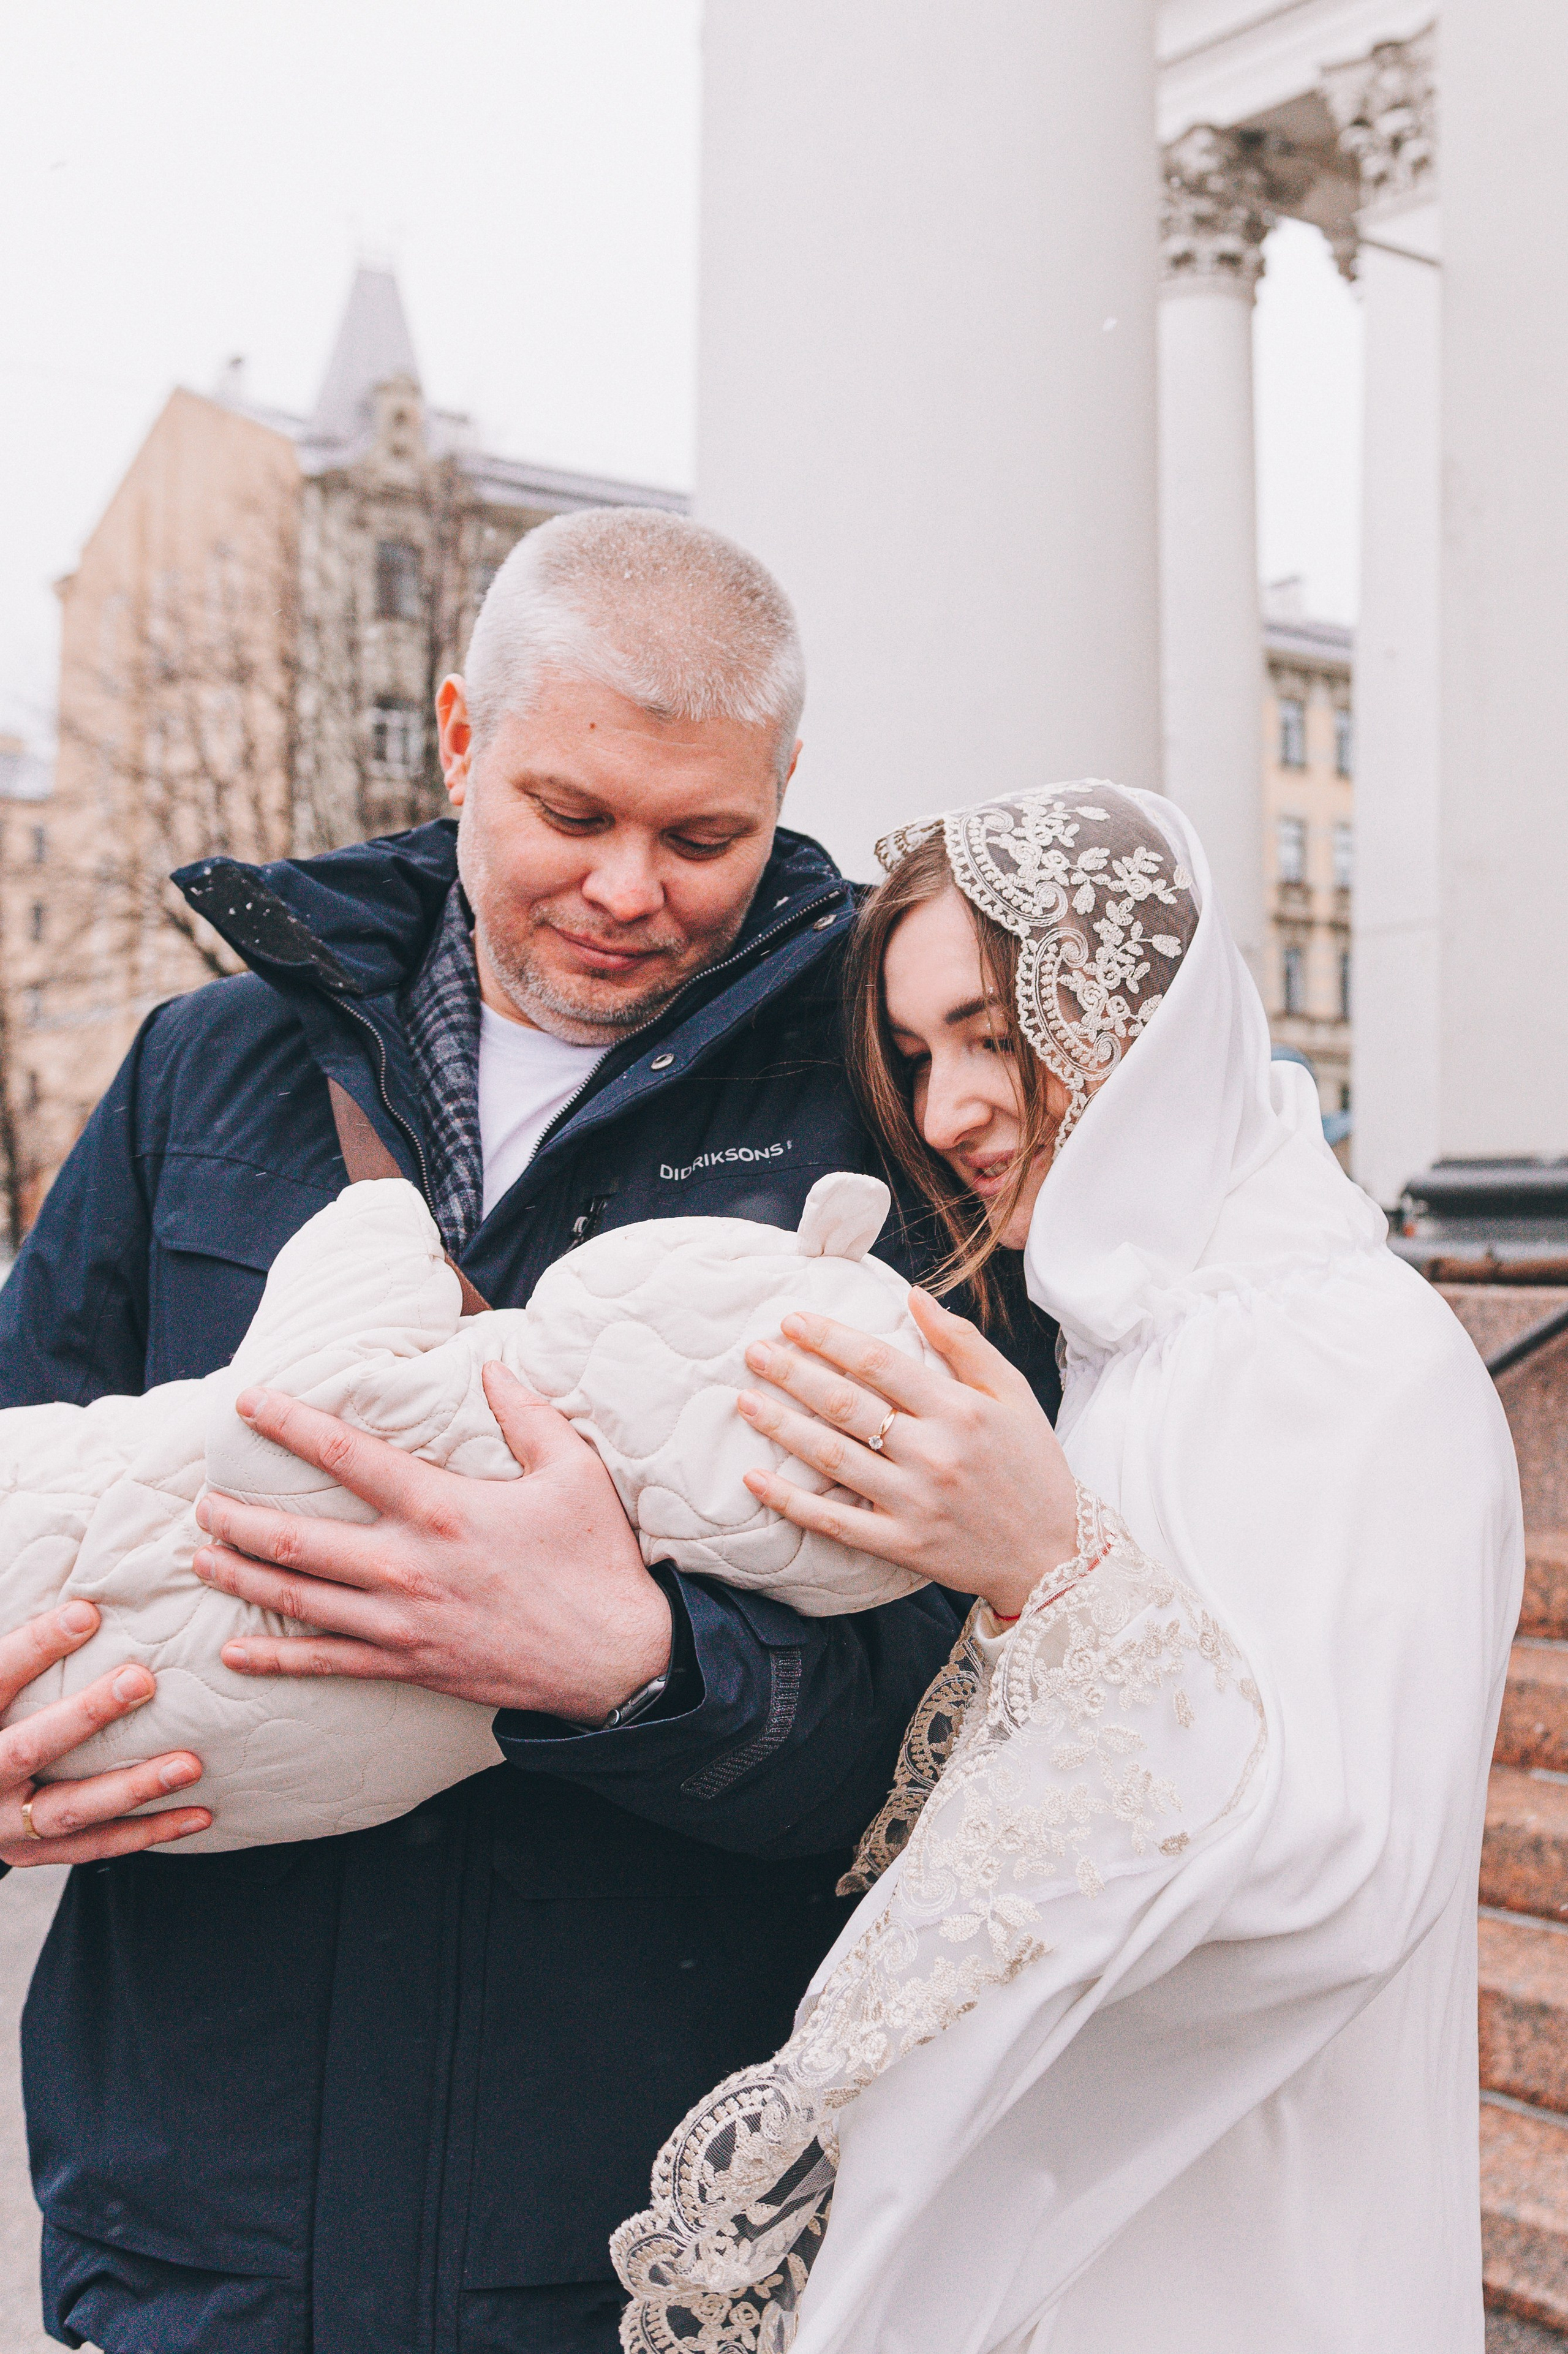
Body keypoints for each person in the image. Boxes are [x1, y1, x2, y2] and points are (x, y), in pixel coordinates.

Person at [0, 511, 1057, 2354]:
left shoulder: (891, 1105)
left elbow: (975, 1707)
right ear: (461, 735)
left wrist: (638, 1668)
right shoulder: (207, 1069)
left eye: (702, 835)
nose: (632, 887)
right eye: (573, 815)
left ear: (784, 786)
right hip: (194, 2224)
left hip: (639, 2244)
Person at [614, 781, 1521, 2354]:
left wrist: (1047, 1567)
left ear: (1138, 1014)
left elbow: (1343, 1872)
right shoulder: (1122, 1353)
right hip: (1069, 2225)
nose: (951, 1105)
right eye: (915, 1057)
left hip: (1248, 2244)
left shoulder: (1347, 1349)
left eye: (991, 1028)